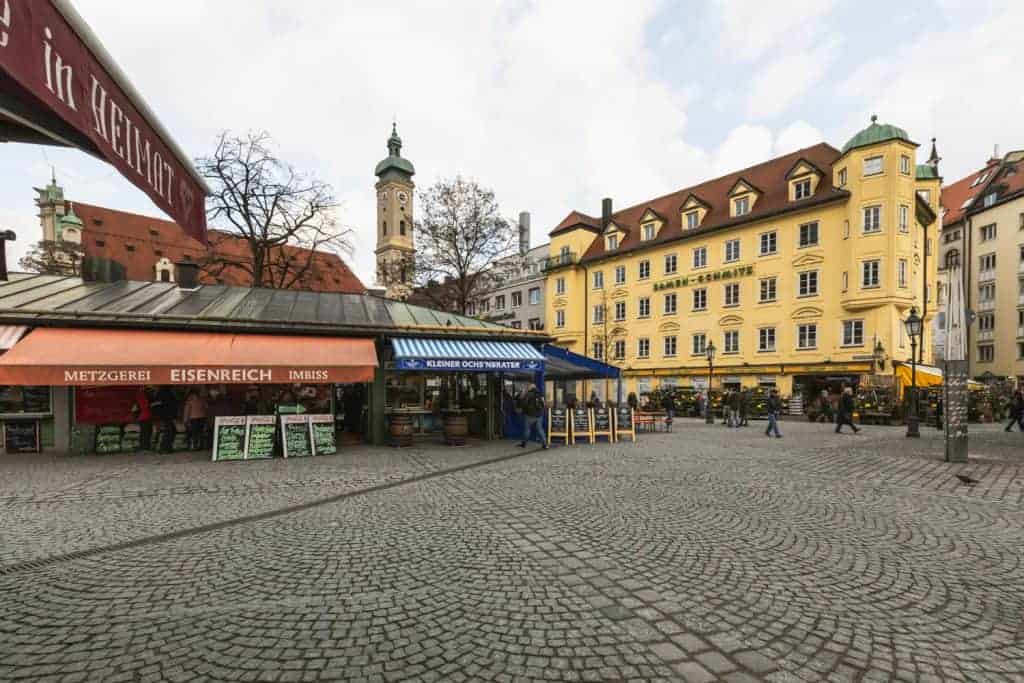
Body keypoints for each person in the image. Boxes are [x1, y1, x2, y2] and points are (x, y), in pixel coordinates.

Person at [151, 386, 178, 453]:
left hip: (163, 416)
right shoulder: (166, 394)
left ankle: (165, 447)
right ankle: (165, 447)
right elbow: (170, 405)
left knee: (168, 430)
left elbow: (156, 405)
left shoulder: (160, 394)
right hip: (165, 416)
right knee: (169, 431)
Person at [131, 386, 153, 451]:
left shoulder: (140, 394)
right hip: (145, 416)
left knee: (145, 432)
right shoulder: (142, 395)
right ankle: (145, 446)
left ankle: (144, 446)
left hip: (143, 416)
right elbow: (145, 405)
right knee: (146, 432)